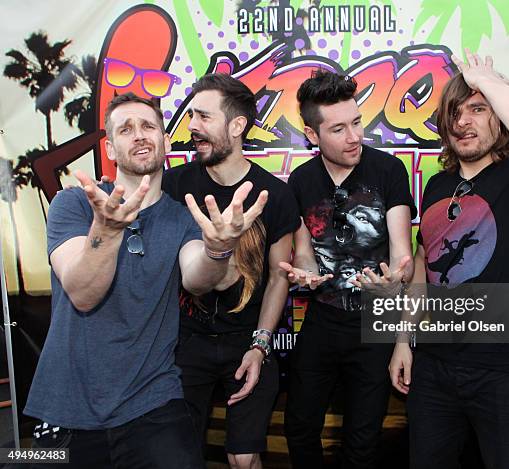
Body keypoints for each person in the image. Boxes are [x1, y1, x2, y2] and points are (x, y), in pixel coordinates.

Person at [23, 92, 267, 468]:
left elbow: (199, 279)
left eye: (148, 126)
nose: (139, 135)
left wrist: (220, 248)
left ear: (165, 141)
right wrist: (107, 229)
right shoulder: (72, 205)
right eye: (126, 129)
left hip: (153, 403)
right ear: (110, 147)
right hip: (67, 408)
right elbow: (83, 293)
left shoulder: (183, 219)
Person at [389, 50, 509, 469]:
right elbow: (423, 264)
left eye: (477, 109)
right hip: (435, 368)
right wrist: (402, 339)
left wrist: (488, 81)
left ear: (499, 117)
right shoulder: (437, 185)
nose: (463, 121)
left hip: (507, 372)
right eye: (454, 112)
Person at [162, 73, 300, 469]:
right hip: (185, 343)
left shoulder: (275, 194)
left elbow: (278, 276)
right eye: (192, 116)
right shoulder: (174, 185)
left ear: (237, 126)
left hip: (247, 341)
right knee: (176, 454)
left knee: (243, 457)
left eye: (204, 117)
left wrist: (260, 345)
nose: (192, 127)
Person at [282, 69, 417, 468]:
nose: (354, 136)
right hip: (323, 320)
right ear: (312, 136)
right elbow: (305, 254)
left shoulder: (388, 171)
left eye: (356, 122)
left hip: (376, 322)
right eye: (339, 129)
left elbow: (402, 257)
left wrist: (396, 279)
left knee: (363, 441)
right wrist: (305, 274)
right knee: (299, 427)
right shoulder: (301, 181)